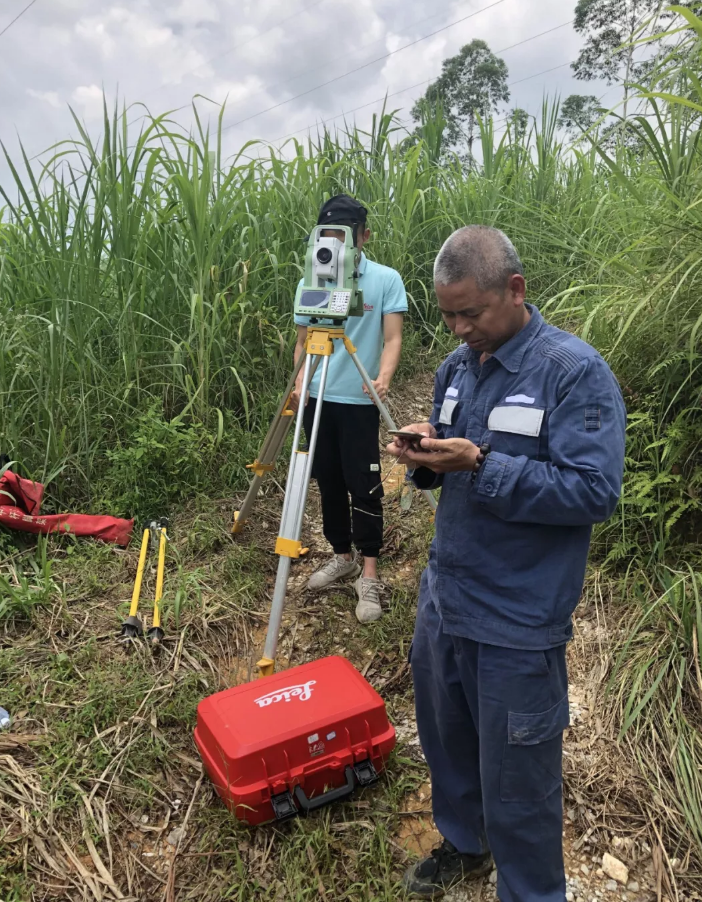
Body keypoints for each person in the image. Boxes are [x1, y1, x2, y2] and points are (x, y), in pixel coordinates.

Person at [387, 225, 626, 901]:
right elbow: (449, 460)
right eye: (448, 316)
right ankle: (466, 843)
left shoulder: (573, 373)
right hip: (446, 598)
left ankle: (530, 890)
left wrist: (482, 464)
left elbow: (592, 491)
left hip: (520, 615)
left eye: (472, 312)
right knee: (448, 739)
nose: (461, 328)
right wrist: (428, 453)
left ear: (515, 290)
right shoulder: (458, 368)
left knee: (520, 778)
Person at [291, 194, 407, 623]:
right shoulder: (312, 279)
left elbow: (392, 337)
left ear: (364, 235)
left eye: (345, 232)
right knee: (328, 480)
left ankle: (370, 570)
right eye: (328, 233)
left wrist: (384, 377)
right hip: (318, 398)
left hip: (359, 398)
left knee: (364, 483)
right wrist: (299, 380)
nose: (337, 242)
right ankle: (343, 555)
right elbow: (303, 339)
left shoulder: (385, 279)